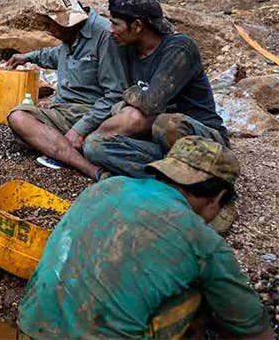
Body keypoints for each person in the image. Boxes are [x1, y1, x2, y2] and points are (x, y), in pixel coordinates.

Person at [18, 136, 271, 340]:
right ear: (218, 198)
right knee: (200, 293)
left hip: (30, 327)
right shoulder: (202, 239)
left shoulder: (108, 186)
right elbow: (254, 329)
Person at [83, 0, 229, 178]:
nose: (111, 30)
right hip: (159, 141)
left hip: (202, 138)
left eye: (115, 23)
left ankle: (203, 171)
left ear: (137, 26)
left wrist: (129, 96)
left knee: (167, 124)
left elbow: (151, 104)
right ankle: (176, 177)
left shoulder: (179, 48)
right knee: (95, 147)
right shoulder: (127, 50)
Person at [6, 0, 126, 181]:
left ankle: (89, 168)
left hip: (92, 114)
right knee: (18, 117)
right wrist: (27, 57)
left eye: (50, 25)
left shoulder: (105, 35)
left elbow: (115, 94)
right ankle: (65, 147)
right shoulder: (70, 36)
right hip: (63, 112)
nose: (49, 31)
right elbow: (55, 55)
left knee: (32, 130)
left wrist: (80, 128)